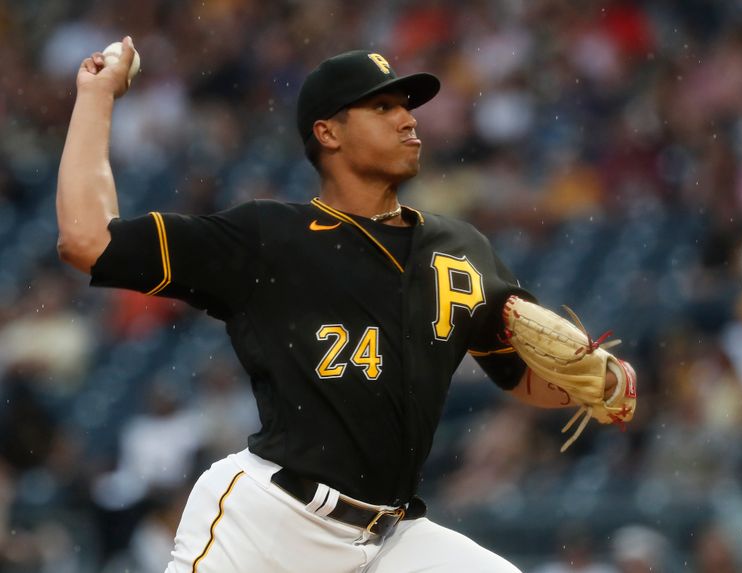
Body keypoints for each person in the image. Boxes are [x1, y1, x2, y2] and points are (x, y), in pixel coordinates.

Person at [57, 37, 627, 572]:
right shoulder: (268, 237)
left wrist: (592, 383)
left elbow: (520, 375)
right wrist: (96, 96)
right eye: (382, 107)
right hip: (271, 523)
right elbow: (87, 239)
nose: (408, 118)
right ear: (328, 133)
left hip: (391, 539)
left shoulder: (462, 250)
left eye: (407, 106)